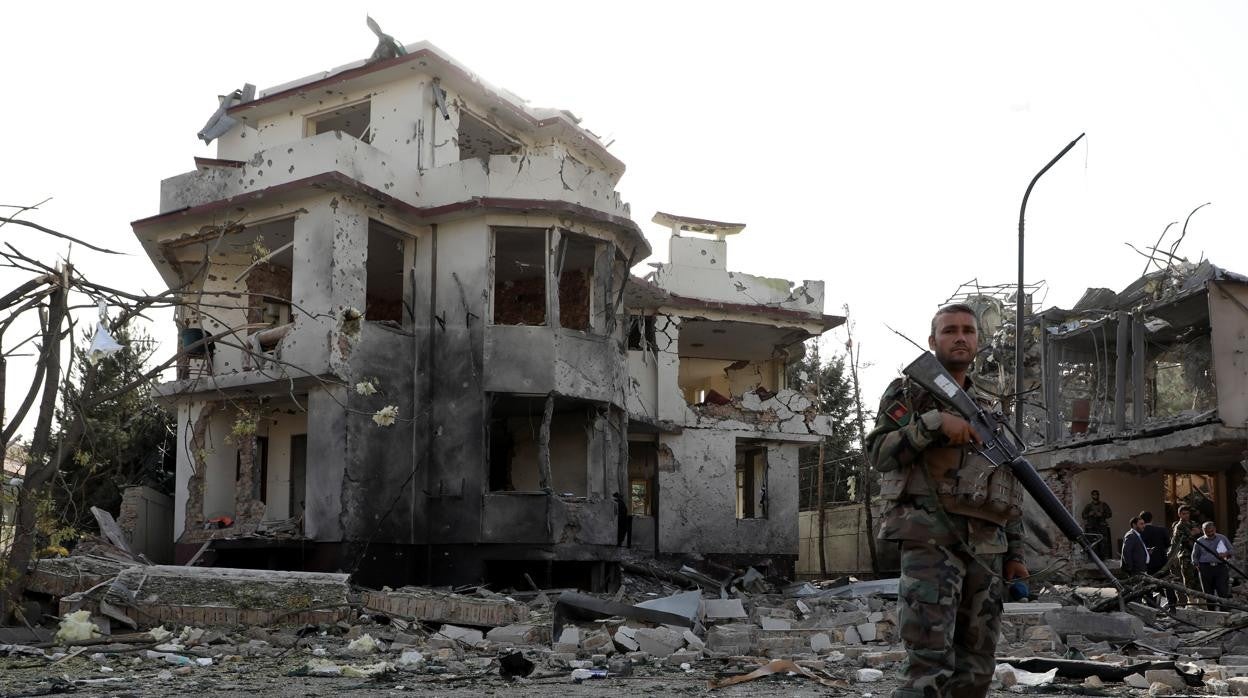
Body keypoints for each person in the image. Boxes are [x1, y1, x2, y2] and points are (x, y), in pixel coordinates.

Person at [866, 303, 1027, 698]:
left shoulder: (989, 411)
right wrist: (932, 425)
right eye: (950, 330)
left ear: (977, 342)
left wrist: (1016, 554)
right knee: (929, 661)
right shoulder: (908, 393)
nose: (960, 337)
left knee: (977, 665)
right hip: (931, 539)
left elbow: (1007, 484)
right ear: (932, 341)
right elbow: (879, 454)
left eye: (968, 331)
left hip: (986, 547)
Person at [1192, 521, 1233, 609]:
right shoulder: (1199, 541)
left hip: (1220, 567)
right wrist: (1197, 565)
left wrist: (1225, 554)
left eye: (1212, 531)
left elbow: (1231, 550)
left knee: (1222, 590)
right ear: (1203, 531)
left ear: (1215, 529)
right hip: (1205, 568)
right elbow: (1194, 556)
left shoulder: (1222, 538)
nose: (1210, 533)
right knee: (1208, 593)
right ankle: (1212, 612)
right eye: (1207, 532)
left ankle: (1224, 612)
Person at [1168, 505, 1202, 606]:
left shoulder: (1194, 523)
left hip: (1197, 555)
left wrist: (1197, 532)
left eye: (1187, 513)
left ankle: (1201, 601)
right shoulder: (1179, 526)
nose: (1186, 515)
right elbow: (1180, 540)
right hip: (1186, 555)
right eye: (1184, 514)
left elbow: (1201, 536)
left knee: (1198, 579)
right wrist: (1192, 533)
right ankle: (1191, 601)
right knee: (1188, 578)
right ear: (1179, 514)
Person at [1139, 511, 1173, 606]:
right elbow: (1168, 544)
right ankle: (1172, 604)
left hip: (1147, 563)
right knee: (1167, 583)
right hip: (1162, 561)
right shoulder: (1161, 530)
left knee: (1148, 584)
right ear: (1152, 519)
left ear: (1141, 520)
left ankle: (1151, 605)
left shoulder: (1140, 532)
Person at [1081, 490, 1113, 560]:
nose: (1095, 496)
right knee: (1092, 543)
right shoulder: (1088, 506)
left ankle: (1103, 558)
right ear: (1092, 496)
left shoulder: (1104, 505)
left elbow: (1110, 514)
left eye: (1097, 494)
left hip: (1101, 526)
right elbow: (1083, 515)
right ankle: (1093, 558)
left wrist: (1102, 514)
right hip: (1092, 527)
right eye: (1094, 495)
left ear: (1099, 495)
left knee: (1103, 543)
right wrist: (1089, 514)